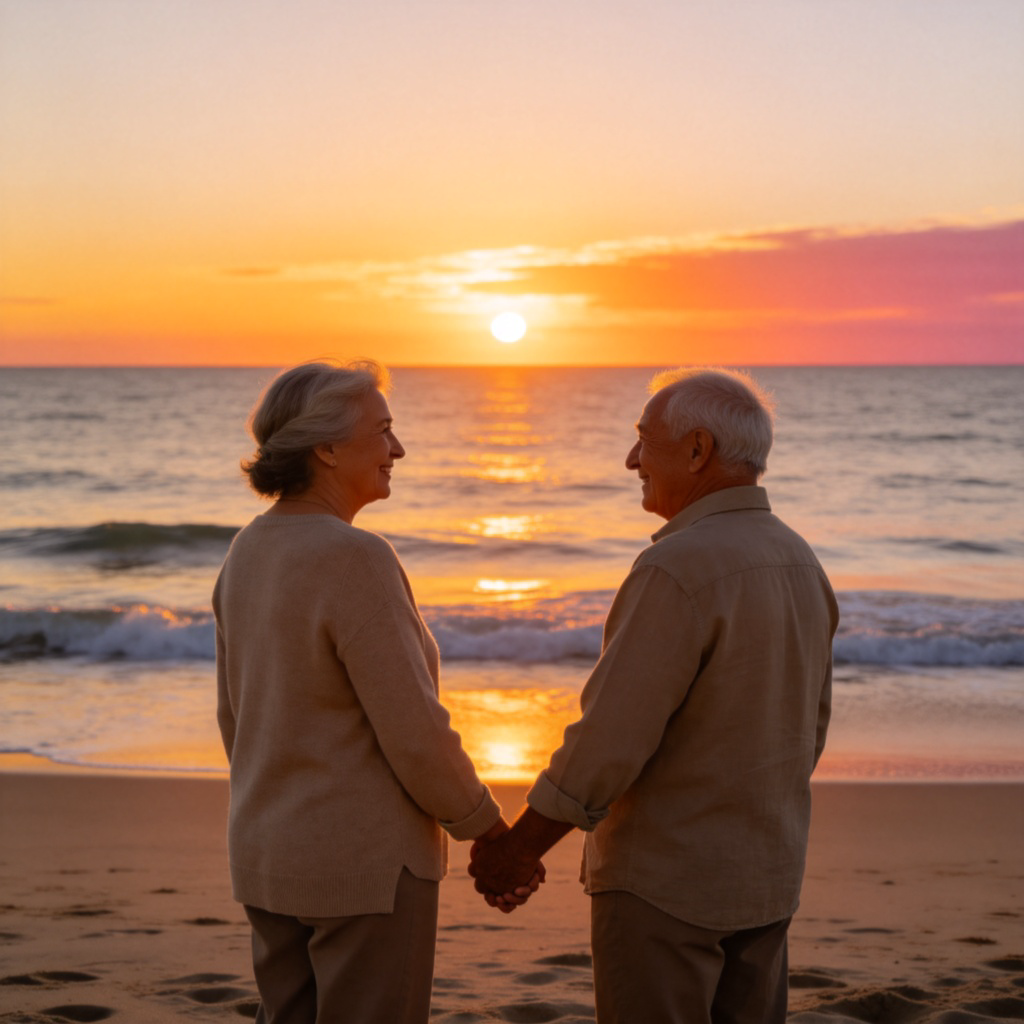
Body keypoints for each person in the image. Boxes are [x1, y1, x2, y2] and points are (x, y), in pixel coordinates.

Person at [469, 367, 839, 1024]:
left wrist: (520, 847)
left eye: (644, 440)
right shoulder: (800, 559)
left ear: (697, 451)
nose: (632, 458)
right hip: (769, 876)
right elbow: (809, 730)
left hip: (667, 889)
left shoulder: (676, 568)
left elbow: (610, 740)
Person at [213, 359, 537, 1024]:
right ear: (326, 448)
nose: (398, 449)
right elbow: (414, 732)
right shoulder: (354, 558)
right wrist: (488, 829)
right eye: (383, 431)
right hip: (365, 872)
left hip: (268, 854)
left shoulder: (247, 550)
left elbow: (234, 717)